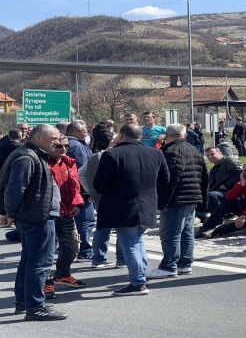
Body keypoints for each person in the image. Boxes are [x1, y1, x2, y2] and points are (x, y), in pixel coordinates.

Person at [0, 124, 68, 321]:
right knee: (40, 262)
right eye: (53, 138)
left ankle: (25, 302)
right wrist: (9, 214)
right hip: (36, 217)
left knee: (29, 260)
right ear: (38, 138)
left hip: (35, 215)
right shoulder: (28, 156)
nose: (57, 142)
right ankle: (35, 306)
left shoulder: (33, 154)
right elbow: (15, 188)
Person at [93, 124, 169, 295]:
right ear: (140, 136)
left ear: (121, 135)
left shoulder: (112, 154)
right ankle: (140, 275)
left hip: (122, 204)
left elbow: (100, 184)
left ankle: (138, 282)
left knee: (130, 243)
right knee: (138, 240)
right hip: (148, 203)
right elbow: (165, 179)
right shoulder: (156, 153)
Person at [147, 124, 208, 279]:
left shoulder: (171, 151)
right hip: (192, 196)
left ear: (166, 135)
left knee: (170, 233)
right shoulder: (194, 149)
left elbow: (170, 178)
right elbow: (204, 176)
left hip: (176, 198)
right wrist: (202, 199)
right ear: (185, 135)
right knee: (186, 233)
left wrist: (162, 200)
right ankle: (184, 264)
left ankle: (169, 266)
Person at [46, 135, 86, 294]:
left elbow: (75, 187)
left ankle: (62, 274)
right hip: (48, 214)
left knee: (72, 248)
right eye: (59, 146)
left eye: (66, 146)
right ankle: (45, 282)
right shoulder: (43, 162)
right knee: (46, 252)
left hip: (67, 214)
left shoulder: (70, 163)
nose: (63, 149)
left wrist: (77, 203)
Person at [77, 139, 124, 269]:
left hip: (100, 197)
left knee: (102, 228)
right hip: (119, 197)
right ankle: (121, 259)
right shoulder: (121, 156)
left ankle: (98, 258)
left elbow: (80, 173)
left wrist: (91, 191)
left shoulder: (95, 157)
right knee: (121, 227)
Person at [196, 162, 246, 239]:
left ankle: (218, 231)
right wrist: (242, 185)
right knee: (226, 203)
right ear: (243, 172)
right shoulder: (245, 181)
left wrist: (244, 216)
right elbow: (229, 197)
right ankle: (206, 227)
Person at [66, 121, 95, 262]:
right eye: (84, 131)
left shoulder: (66, 144)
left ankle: (66, 248)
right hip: (81, 189)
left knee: (69, 220)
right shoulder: (77, 146)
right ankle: (86, 251)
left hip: (70, 187)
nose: (87, 134)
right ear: (75, 133)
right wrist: (90, 189)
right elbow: (85, 168)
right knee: (86, 220)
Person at [202, 146, 243, 215]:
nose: (210, 157)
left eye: (212, 154)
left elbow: (241, 173)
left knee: (212, 195)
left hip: (230, 191)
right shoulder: (214, 168)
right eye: (208, 155)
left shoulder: (229, 161)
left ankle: (217, 218)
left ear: (220, 153)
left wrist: (227, 184)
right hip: (218, 191)